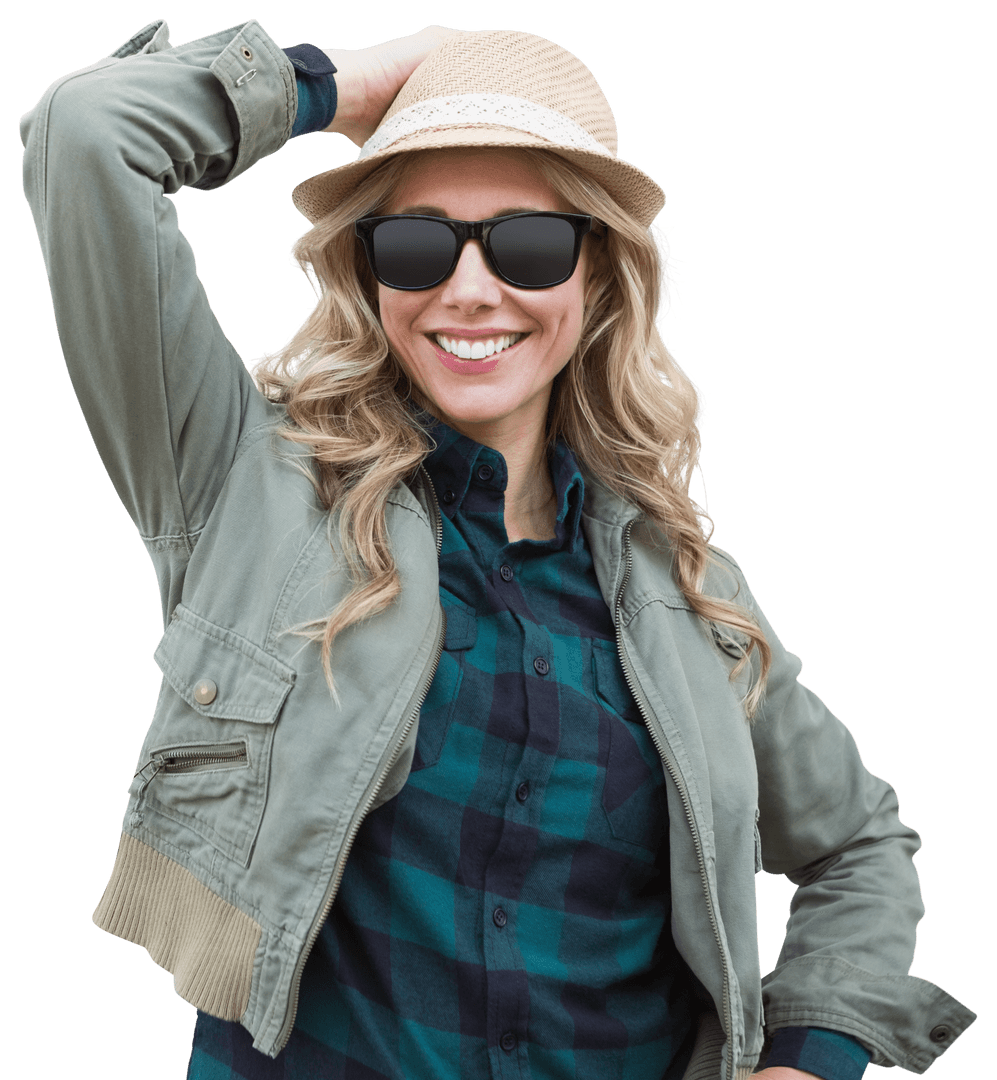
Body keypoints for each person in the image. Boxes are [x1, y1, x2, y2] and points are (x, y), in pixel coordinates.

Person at [20, 17, 975, 1080]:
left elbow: (860, 848)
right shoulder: (243, 483)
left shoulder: (683, 589)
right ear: (368, 274)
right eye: (418, 244)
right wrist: (345, 86)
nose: (469, 291)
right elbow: (85, 132)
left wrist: (810, 1057)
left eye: (527, 244)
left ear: (599, 277)